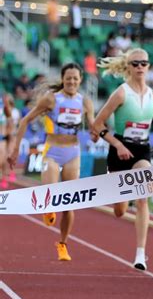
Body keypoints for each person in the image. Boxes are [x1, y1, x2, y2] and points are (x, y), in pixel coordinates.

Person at [93, 48, 153, 271]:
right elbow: (97, 124)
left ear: (149, 66)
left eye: (144, 63)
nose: (140, 67)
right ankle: (123, 198)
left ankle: (140, 254)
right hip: (120, 149)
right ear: (128, 68)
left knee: (143, 197)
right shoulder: (121, 93)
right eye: (135, 63)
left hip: (142, 150)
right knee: (120, 211)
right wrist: (118, 145)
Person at [8, 63, 96, 261]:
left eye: (75, 78)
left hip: (73, 153)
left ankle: (63, 244)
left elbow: (93, 125)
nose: (72, 81)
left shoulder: (85, 102)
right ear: (63, 79)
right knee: (49, 193)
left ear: (80, 80)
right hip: (52, 152)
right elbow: (25, 121)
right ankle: (48, 209)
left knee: (69, 204)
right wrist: (15, 151)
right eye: (68, 78)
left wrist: (96, 133)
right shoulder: (51, 99)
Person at [0, 93, 13, 189]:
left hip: (2, 138)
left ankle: (3, 178)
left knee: (2, 160)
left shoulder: (2, 101)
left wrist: (9, 132)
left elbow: (10, 118)